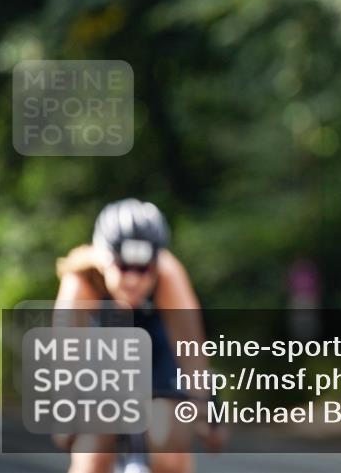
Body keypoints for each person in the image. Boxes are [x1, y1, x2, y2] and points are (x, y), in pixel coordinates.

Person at [54, 198, 222, 473]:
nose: (133, 279)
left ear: (156, 263)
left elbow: (193, 354)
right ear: (104, 259)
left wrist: (209, 412)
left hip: (158, 352)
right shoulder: (81, 282)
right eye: (122, 267)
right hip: (101, 358)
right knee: (92, 451)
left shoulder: (170, 276)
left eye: (143, 269)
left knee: (171, 449)